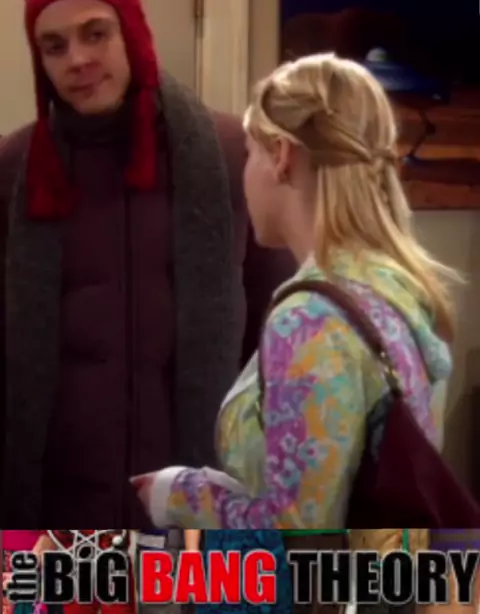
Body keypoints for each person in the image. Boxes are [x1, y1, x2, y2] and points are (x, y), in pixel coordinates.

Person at [0, 0, 294, 528]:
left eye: (95, 33)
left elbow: (276, 333)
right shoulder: (14, 169)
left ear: (131, 33)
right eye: (54, 46)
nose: (78, 59)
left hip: (200, 501)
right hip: (54, 509)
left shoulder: (230, 154)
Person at [133, 52, 457, 528]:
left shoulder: (311, 321)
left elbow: (299, 537)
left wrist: (181, 495)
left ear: (282, 156)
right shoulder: (400, 287)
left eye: (250, 154)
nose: (245, 175)